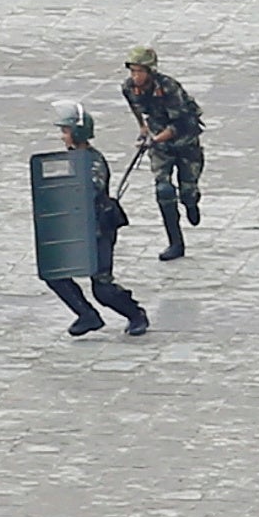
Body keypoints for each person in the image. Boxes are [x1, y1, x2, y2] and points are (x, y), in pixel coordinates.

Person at [42, 101, 149, 337]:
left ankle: (135, 314)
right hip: (74, 228)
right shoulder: (70, 158)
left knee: (102, 287)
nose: (63, 137)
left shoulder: (92, 162)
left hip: (98, 229)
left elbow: (87, 192)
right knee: (55, 274)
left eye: (66, 131)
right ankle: (87, 315)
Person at [120, 46, 204, 261]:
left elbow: (181, 123)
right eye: (133, 71)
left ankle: (191, 201)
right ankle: (175, 242)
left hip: (185, 142)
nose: (135, 76)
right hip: (160, 144)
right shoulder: (129, 88)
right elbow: (137, 109)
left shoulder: (169, 88)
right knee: (164, 190)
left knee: (187, 190)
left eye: (140, 71)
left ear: (150, 71)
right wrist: (143, 129)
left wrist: (154, 139)